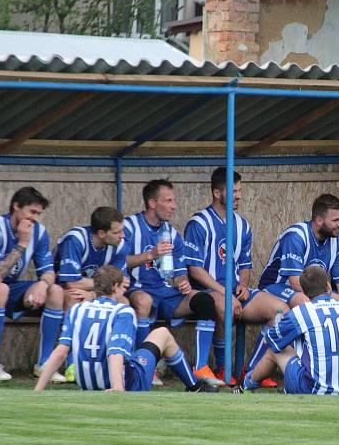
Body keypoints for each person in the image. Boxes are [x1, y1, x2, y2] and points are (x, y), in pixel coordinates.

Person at [34, 266, 215, 392]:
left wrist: (38, 389)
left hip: (87, 383)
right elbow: (115, 352)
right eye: (123, 287)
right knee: (162, 334)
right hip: (126, 381)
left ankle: (194, 385)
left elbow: (60, 352)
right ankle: (195, 386)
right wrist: (118, 389)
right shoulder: (123, 312)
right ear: (114, 287)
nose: (124, 292)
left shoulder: (76, 310)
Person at [183, 167, 286, 387]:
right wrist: (225, 293)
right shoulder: (199, 223)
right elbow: (195, 270)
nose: (239, 195)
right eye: (234, 191)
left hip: (234, 293)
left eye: (239, 190)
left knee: (280, 311)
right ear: (217, 193)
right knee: (223, 305)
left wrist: (243, 286)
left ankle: (254, 372)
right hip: (207, 291)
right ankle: (221, 367)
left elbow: (245, 264)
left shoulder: (243, 225)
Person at [0, 186, 65, 383]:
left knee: (56, 291)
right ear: (16, 206)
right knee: (0, 288)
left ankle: (45, 364)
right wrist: (22, 243)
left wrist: (42, 285)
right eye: (32, 212)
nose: (35, 218)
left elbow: (48, 271)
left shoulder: (39, 233)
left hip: (9, 288)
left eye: (39, 214)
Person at [123, 179, 220, 385]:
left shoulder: (173, 234)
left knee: (204, 300)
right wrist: (150, 254)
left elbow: (178, 273)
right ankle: (144, 366)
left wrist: (182, 282)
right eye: (168, 200)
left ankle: (201, 367)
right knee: (143, 301)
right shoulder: (130, 227)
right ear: (152, 203)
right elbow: (120, 262)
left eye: (174, 200)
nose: (174, 206)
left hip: (166, 294)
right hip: (137, 290)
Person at [242, 266, 339, 395]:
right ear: (328, 285)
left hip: (313, 388)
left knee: (275, 351)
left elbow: (270, 340)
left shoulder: (302, 312)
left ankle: (246, 385)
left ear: (305, 292)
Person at [54, 206, 129, 382]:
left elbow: (122, 284)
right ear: (102, 233)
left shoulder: (120, 246)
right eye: (117, 232)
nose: (122, 235)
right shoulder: (76, 239)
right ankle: (72, 364)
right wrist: (99, 290)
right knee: (74, 297)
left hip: (95, 293)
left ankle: (120, 364)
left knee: (124, 303)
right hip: (62, 290)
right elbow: (71, 282)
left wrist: (95, 295)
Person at [258, 193, 339, 308]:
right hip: (277, 286)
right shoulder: (296, 236)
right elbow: (296, 283)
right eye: (335, 220)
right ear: (319, 220)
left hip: (315, 291)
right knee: (303, 301)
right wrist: (333, 297)